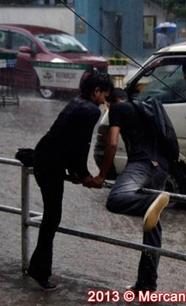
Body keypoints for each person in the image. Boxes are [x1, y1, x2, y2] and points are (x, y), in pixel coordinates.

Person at [27, 72, 114, 290]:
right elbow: (80, 145)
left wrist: (77, 172)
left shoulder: (76, 102)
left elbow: (65, 139)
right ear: (96, 92)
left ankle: (37, 269)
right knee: (51, 218)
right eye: (104, 95)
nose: (105, 100)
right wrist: (84, 174)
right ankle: (39, 271)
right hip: (50, 166)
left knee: (50, 217)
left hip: (44, 159)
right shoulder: (90, 110)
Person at [89, 85, 171, 291]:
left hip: (140, 165)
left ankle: (152, 202)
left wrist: (101, 175)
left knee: (115, 199)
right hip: (161, 168)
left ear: (111, 101)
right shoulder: (145, 108)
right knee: (151, 225)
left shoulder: (117, 108)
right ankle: (146, 283)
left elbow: (113, 143)